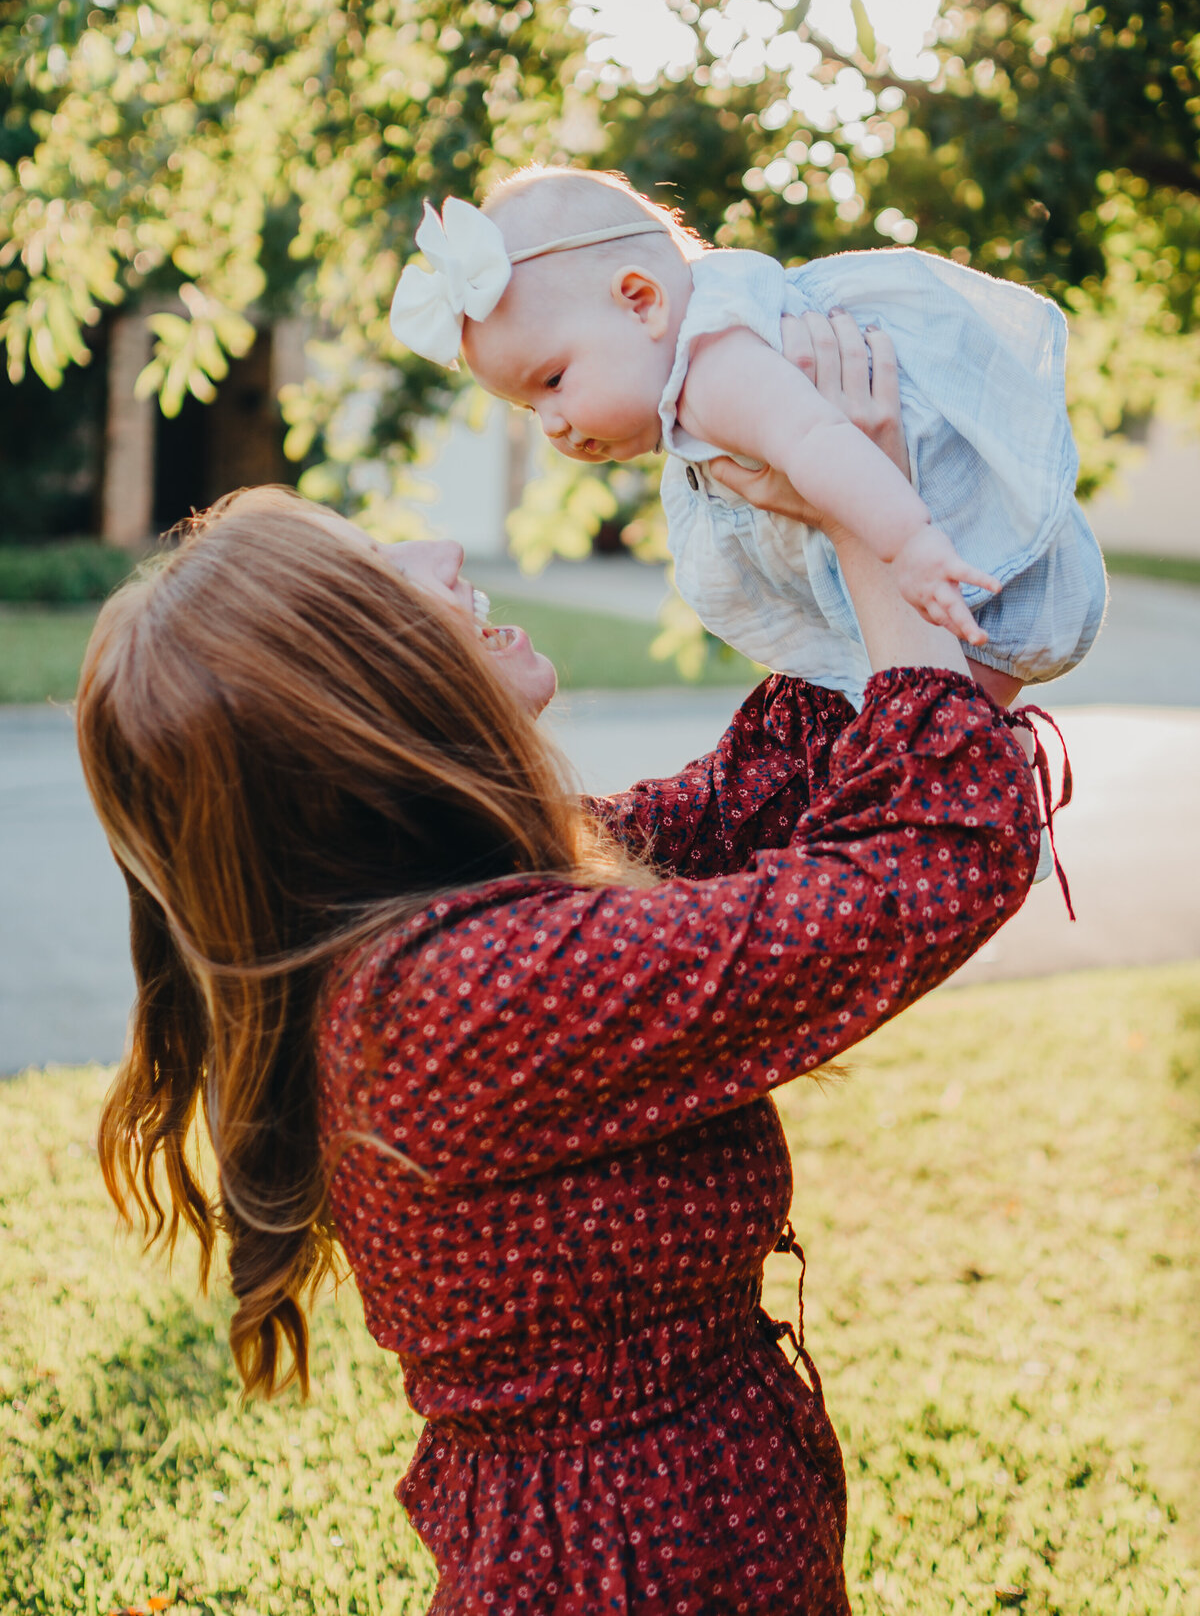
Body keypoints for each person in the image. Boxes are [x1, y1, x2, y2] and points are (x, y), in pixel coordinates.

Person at [78, 320, 1041, 1614]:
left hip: (681, 1523)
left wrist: (811, 496)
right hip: (637, 1570)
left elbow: (774, 786)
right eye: (385, 572)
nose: (445, 550)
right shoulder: (458, 996)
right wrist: (880, 532)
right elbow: (932, 855)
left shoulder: (456, 915)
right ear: (359, 706)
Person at [389, 167, 1107, 712]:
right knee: (931, 726)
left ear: (642, 301)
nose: (551, 423)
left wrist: (910, 545)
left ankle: (966, 787)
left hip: (972, 564)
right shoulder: (700, 355)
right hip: (962, 570)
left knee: (943, 732)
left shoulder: (715, 371)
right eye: (526, 408)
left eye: (551, 381)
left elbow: (823, 436)